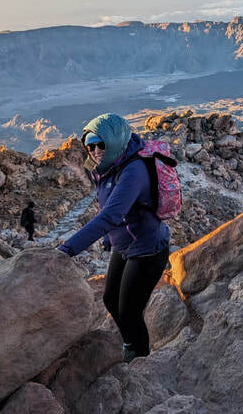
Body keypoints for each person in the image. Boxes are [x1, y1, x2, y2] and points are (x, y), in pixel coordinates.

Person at [57, 113, 170, 363]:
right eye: (90, 145)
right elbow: (106, 204)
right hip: (125, 242)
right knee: (110, 299)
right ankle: (132, 341)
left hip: (147, 248)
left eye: (101, 144)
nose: (95, 151)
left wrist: (66, 249)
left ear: (115, 141)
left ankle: (139, 357)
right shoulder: (107, 165)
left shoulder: (133, 172)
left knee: (129, 310)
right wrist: (109, 240)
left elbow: (109, 216)